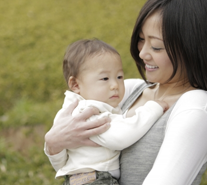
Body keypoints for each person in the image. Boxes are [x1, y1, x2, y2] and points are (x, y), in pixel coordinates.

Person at [45, 0, 207, 185]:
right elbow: (70, 143)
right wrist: (53, 142)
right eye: (141, 39)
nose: (143, 53)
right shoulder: (132, 89)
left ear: (194, 49)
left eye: (156, 47)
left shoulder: (195, 108)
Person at [45, 39, 168, 185]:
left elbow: (59, 160)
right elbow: (121, 137)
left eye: (119, 77)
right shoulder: (89, 112)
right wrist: (152, 109)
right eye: (105, 78)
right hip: (96, 180)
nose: (115, 85)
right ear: (76, 84)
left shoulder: (67, 112)